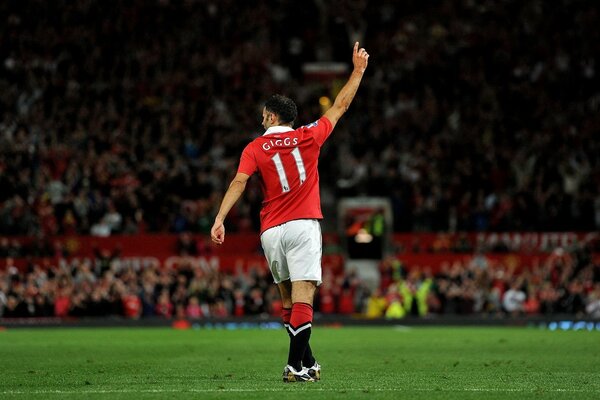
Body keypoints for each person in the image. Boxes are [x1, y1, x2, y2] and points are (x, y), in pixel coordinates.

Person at [211, 42, 369, 382]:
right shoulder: (309, 135)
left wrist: (220, 217)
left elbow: (239, 183)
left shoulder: (254, 147)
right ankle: (295, 366)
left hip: (271, 231)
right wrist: (357, 71)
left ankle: (307, 362)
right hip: (302, 225)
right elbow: (340, 105)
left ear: (270, 116)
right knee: (304, 295)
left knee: (287, 299)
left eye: (263, 114)